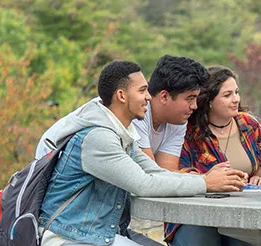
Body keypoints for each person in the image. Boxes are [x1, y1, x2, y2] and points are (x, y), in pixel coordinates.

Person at [38, 61, 248, 246]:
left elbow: (153, 170)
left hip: (98, 233)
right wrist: (206, 184)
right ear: (121, 96)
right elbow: (143, 184)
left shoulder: (121, 133)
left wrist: (205, 179)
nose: (149, 97)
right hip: (69, 237)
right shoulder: (98, 138)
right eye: (142, 91)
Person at [36, 55, 202, 172]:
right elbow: (150, 177)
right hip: (55, 169)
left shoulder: (177, 119)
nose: (194, 106)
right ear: (164, 96)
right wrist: (203, 181)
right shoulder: (133, 110)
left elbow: (165, 172)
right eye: (189, 98)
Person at [166, 66, 261, 246]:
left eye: (236, 92)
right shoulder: (188, 132)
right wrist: (207, 179)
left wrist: (259, 174)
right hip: (195, 215)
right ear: (210, 100)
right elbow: (176, 172)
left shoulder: (250, 124)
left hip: (241, 211)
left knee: (247, 242)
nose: (236, 99)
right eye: (227, 95)